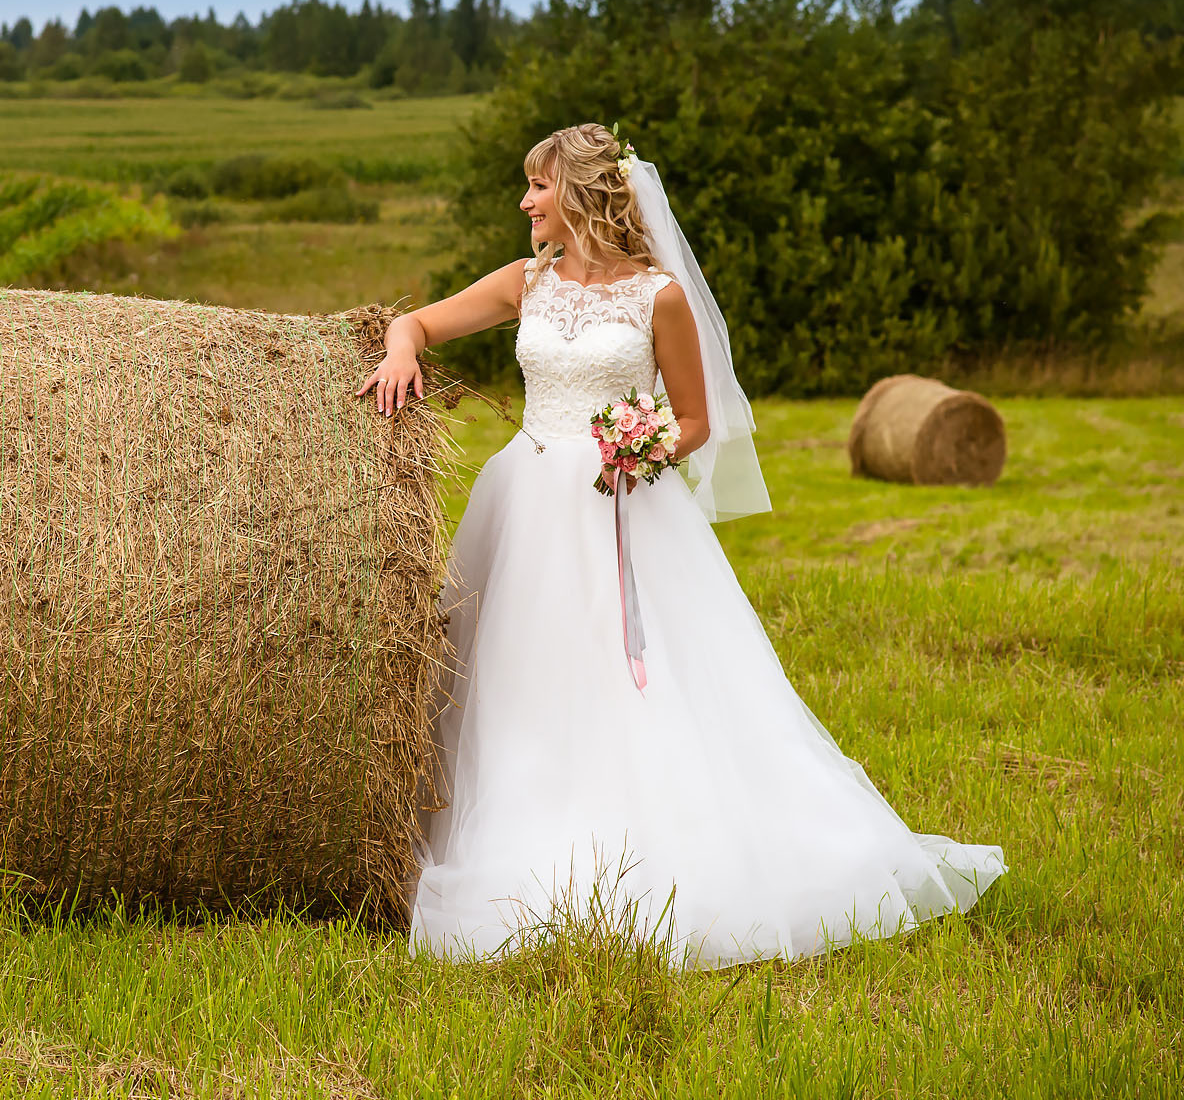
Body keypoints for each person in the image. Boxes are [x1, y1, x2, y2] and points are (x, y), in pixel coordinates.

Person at [359, 122, 1004, 966]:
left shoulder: (658, 297)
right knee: (511, 672)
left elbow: (697, 420)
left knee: (633, 686)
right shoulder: (527, 282)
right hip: (522, 505)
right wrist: (402, 354)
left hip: (621, 506)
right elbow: (414, 324)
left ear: (583, 193)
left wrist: (640, 449)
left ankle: (643, 845)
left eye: (538, 187)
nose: (525, 202)